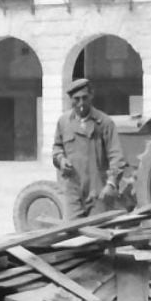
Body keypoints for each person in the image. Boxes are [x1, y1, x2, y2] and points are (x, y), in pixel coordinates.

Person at [51, 78, 125, 218]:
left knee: (98, 234)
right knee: (73, 234)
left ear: (91, 96)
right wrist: (61, 160)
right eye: (76, 99)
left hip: (98, 192)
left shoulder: (104, 122)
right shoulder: (63, 122)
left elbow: (116, 156)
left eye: (85, 98)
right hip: (73, 191)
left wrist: (111, 183)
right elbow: (57, 148)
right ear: (70, 100)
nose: (81, 104)